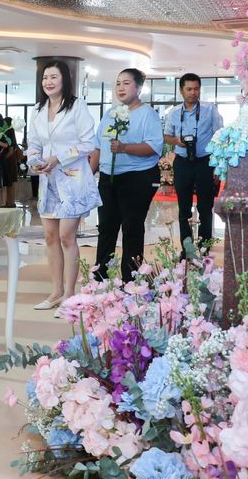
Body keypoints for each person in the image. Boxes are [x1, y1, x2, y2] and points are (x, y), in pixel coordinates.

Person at [26, 61, 100, 310]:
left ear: (64, 80)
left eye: (53, 77)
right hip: (48, 180)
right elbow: (33, 143)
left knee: (67, 236)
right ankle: (56, 292)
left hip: (72, 178)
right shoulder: (38, 109)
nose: (48, 82)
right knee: (50, 237)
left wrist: (58, 158)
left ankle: (70, 295)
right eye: (45, 77)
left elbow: (89, 143)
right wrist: (35, 161)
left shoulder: (77, 106)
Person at [90, 69, 162, 279]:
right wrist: (88, 176)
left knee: (131, 228)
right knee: (106, 227)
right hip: (108, 177)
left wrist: (124, 148)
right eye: (118, 83)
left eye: (126, 83)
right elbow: (98, 147)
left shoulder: (148, 114)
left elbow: (153, 147)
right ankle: (100, 276)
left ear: (139, 88)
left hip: (137, 177)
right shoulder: (110, 113)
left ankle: (131, 279)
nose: (120, 88)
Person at [163, 73, 223, 256]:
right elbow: (166, 136)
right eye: (189, 89)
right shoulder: (173, 113)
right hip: (182, 162)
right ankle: (187, 248)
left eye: (196, 89)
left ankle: (204, 246)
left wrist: (218, 164)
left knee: (205, 207)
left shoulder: (210, 110)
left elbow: (220, 136)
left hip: (205, 162)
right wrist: (177, 141)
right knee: (184, 208)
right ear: (181, 90)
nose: (193, 93)